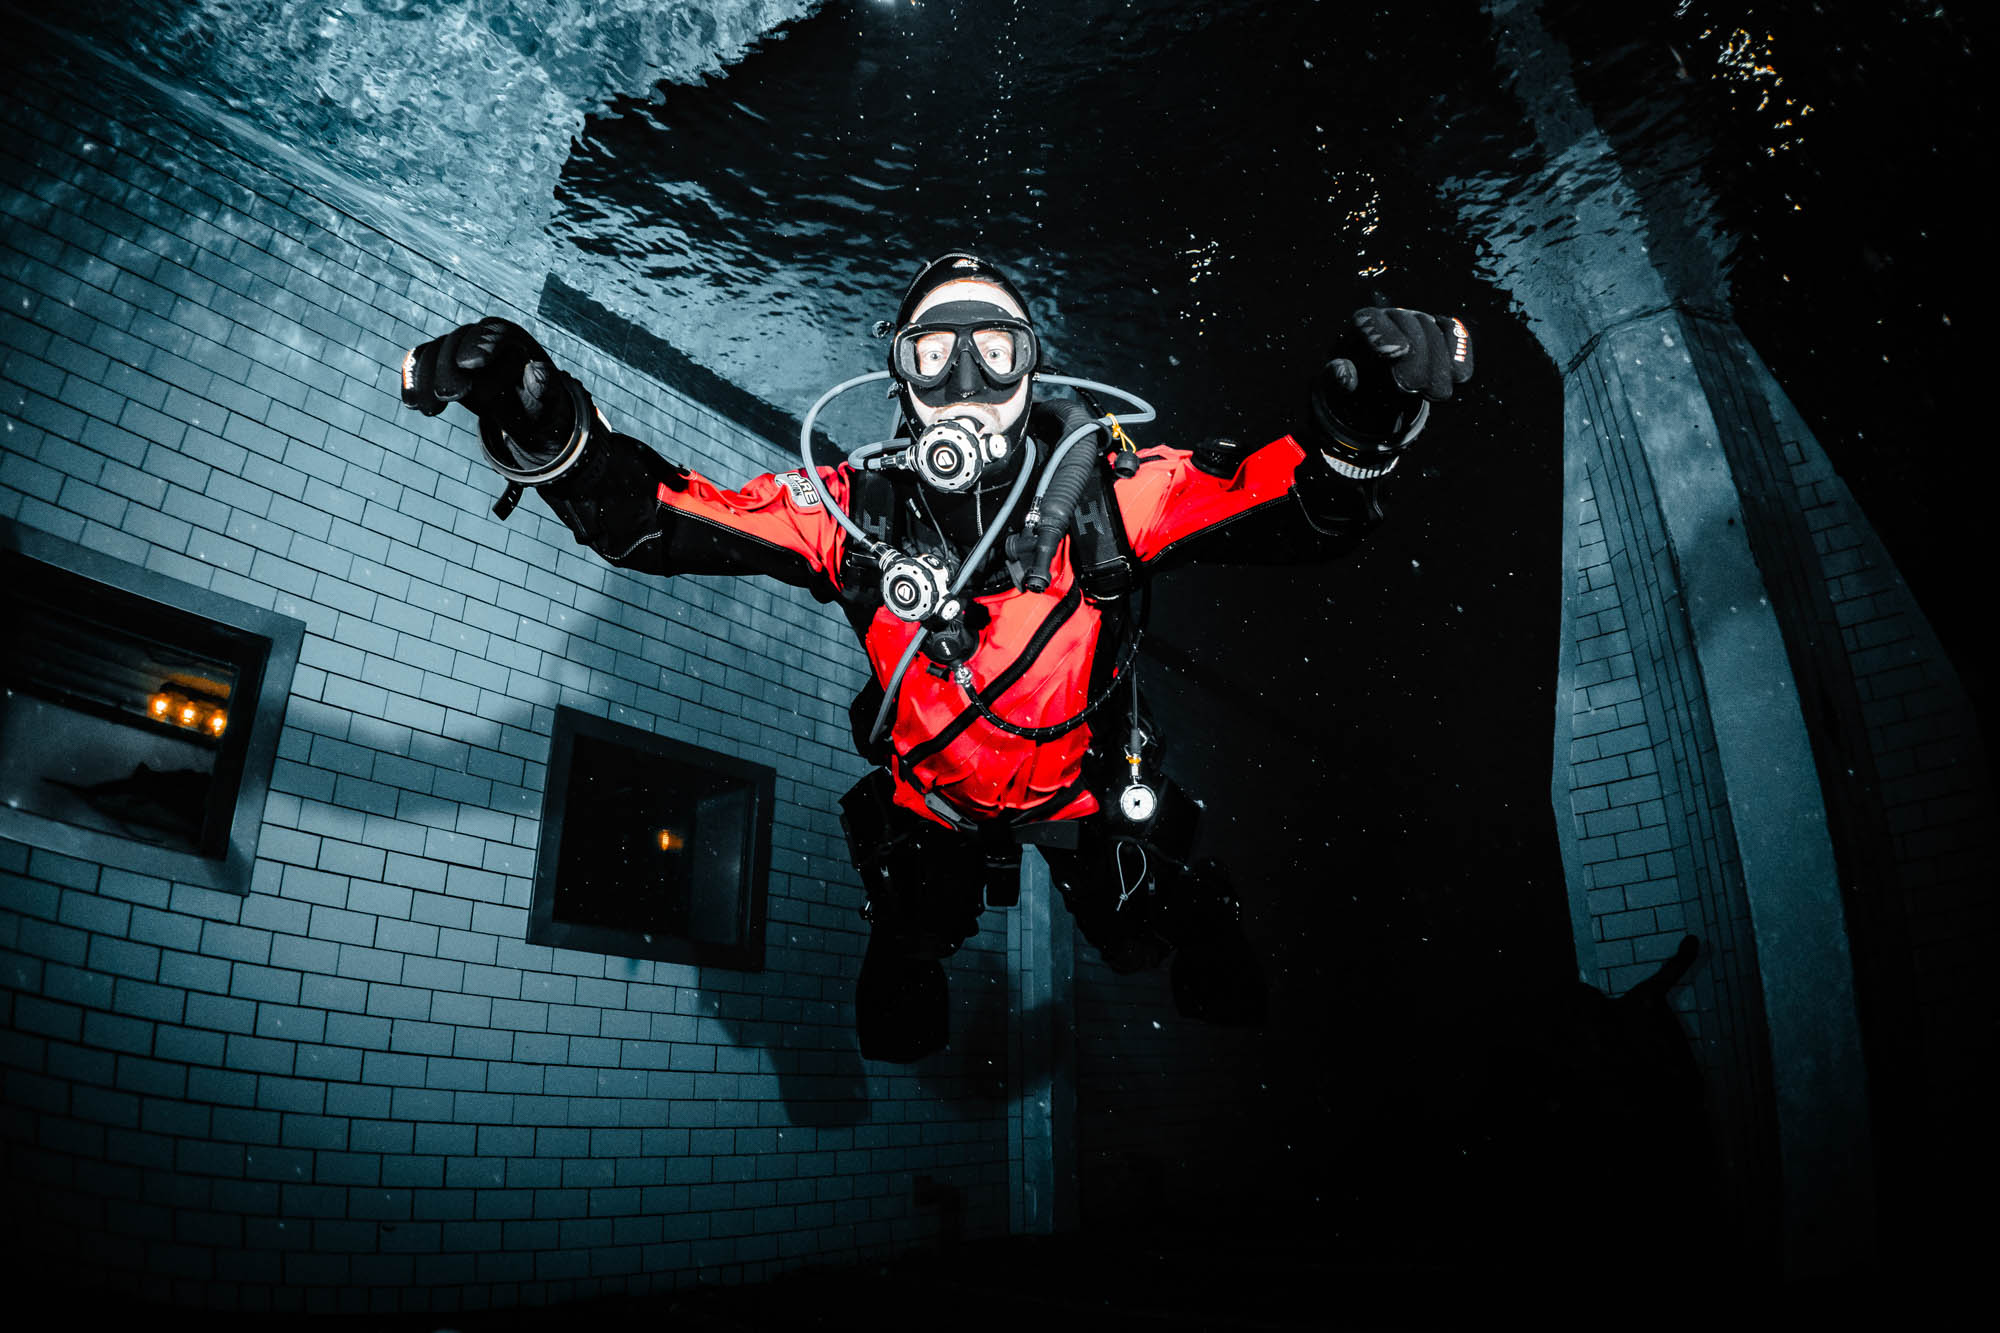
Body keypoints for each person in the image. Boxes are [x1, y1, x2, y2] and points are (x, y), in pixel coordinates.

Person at [400, 253, 1472, 1062]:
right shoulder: (849, 511)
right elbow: (652, 521)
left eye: (994, 350)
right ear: (898, 376)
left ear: (1031, 365)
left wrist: (1355, 433)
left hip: (1078, 793)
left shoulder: (1111, 489)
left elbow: (1283, 509)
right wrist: (542, 422)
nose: (966, 376)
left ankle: (1196, 918)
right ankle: (913, 943)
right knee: (909, 950)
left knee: (1149, 931)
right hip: (931, 803)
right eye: (934, 351)